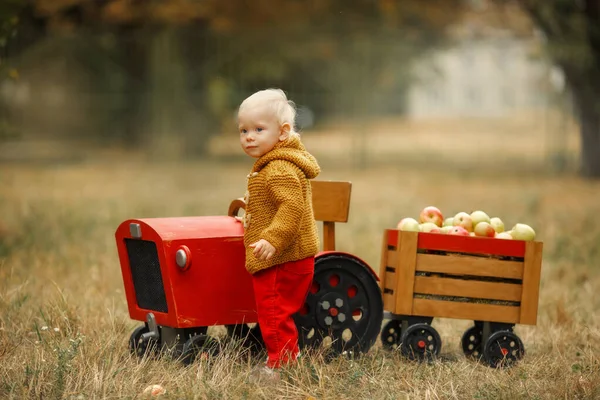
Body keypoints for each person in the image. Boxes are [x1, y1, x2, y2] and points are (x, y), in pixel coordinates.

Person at [236, 88, 320, 382]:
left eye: (259, 129)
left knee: (272, 310)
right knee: (278, 310)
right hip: (292, 254)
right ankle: (287, 354)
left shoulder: (279, 168)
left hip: (281, 256)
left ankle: (281, 364)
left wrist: (272, 239)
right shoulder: (277, 163)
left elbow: (292, 207)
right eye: (244, 130)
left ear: (283, 133)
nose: (249, 136)